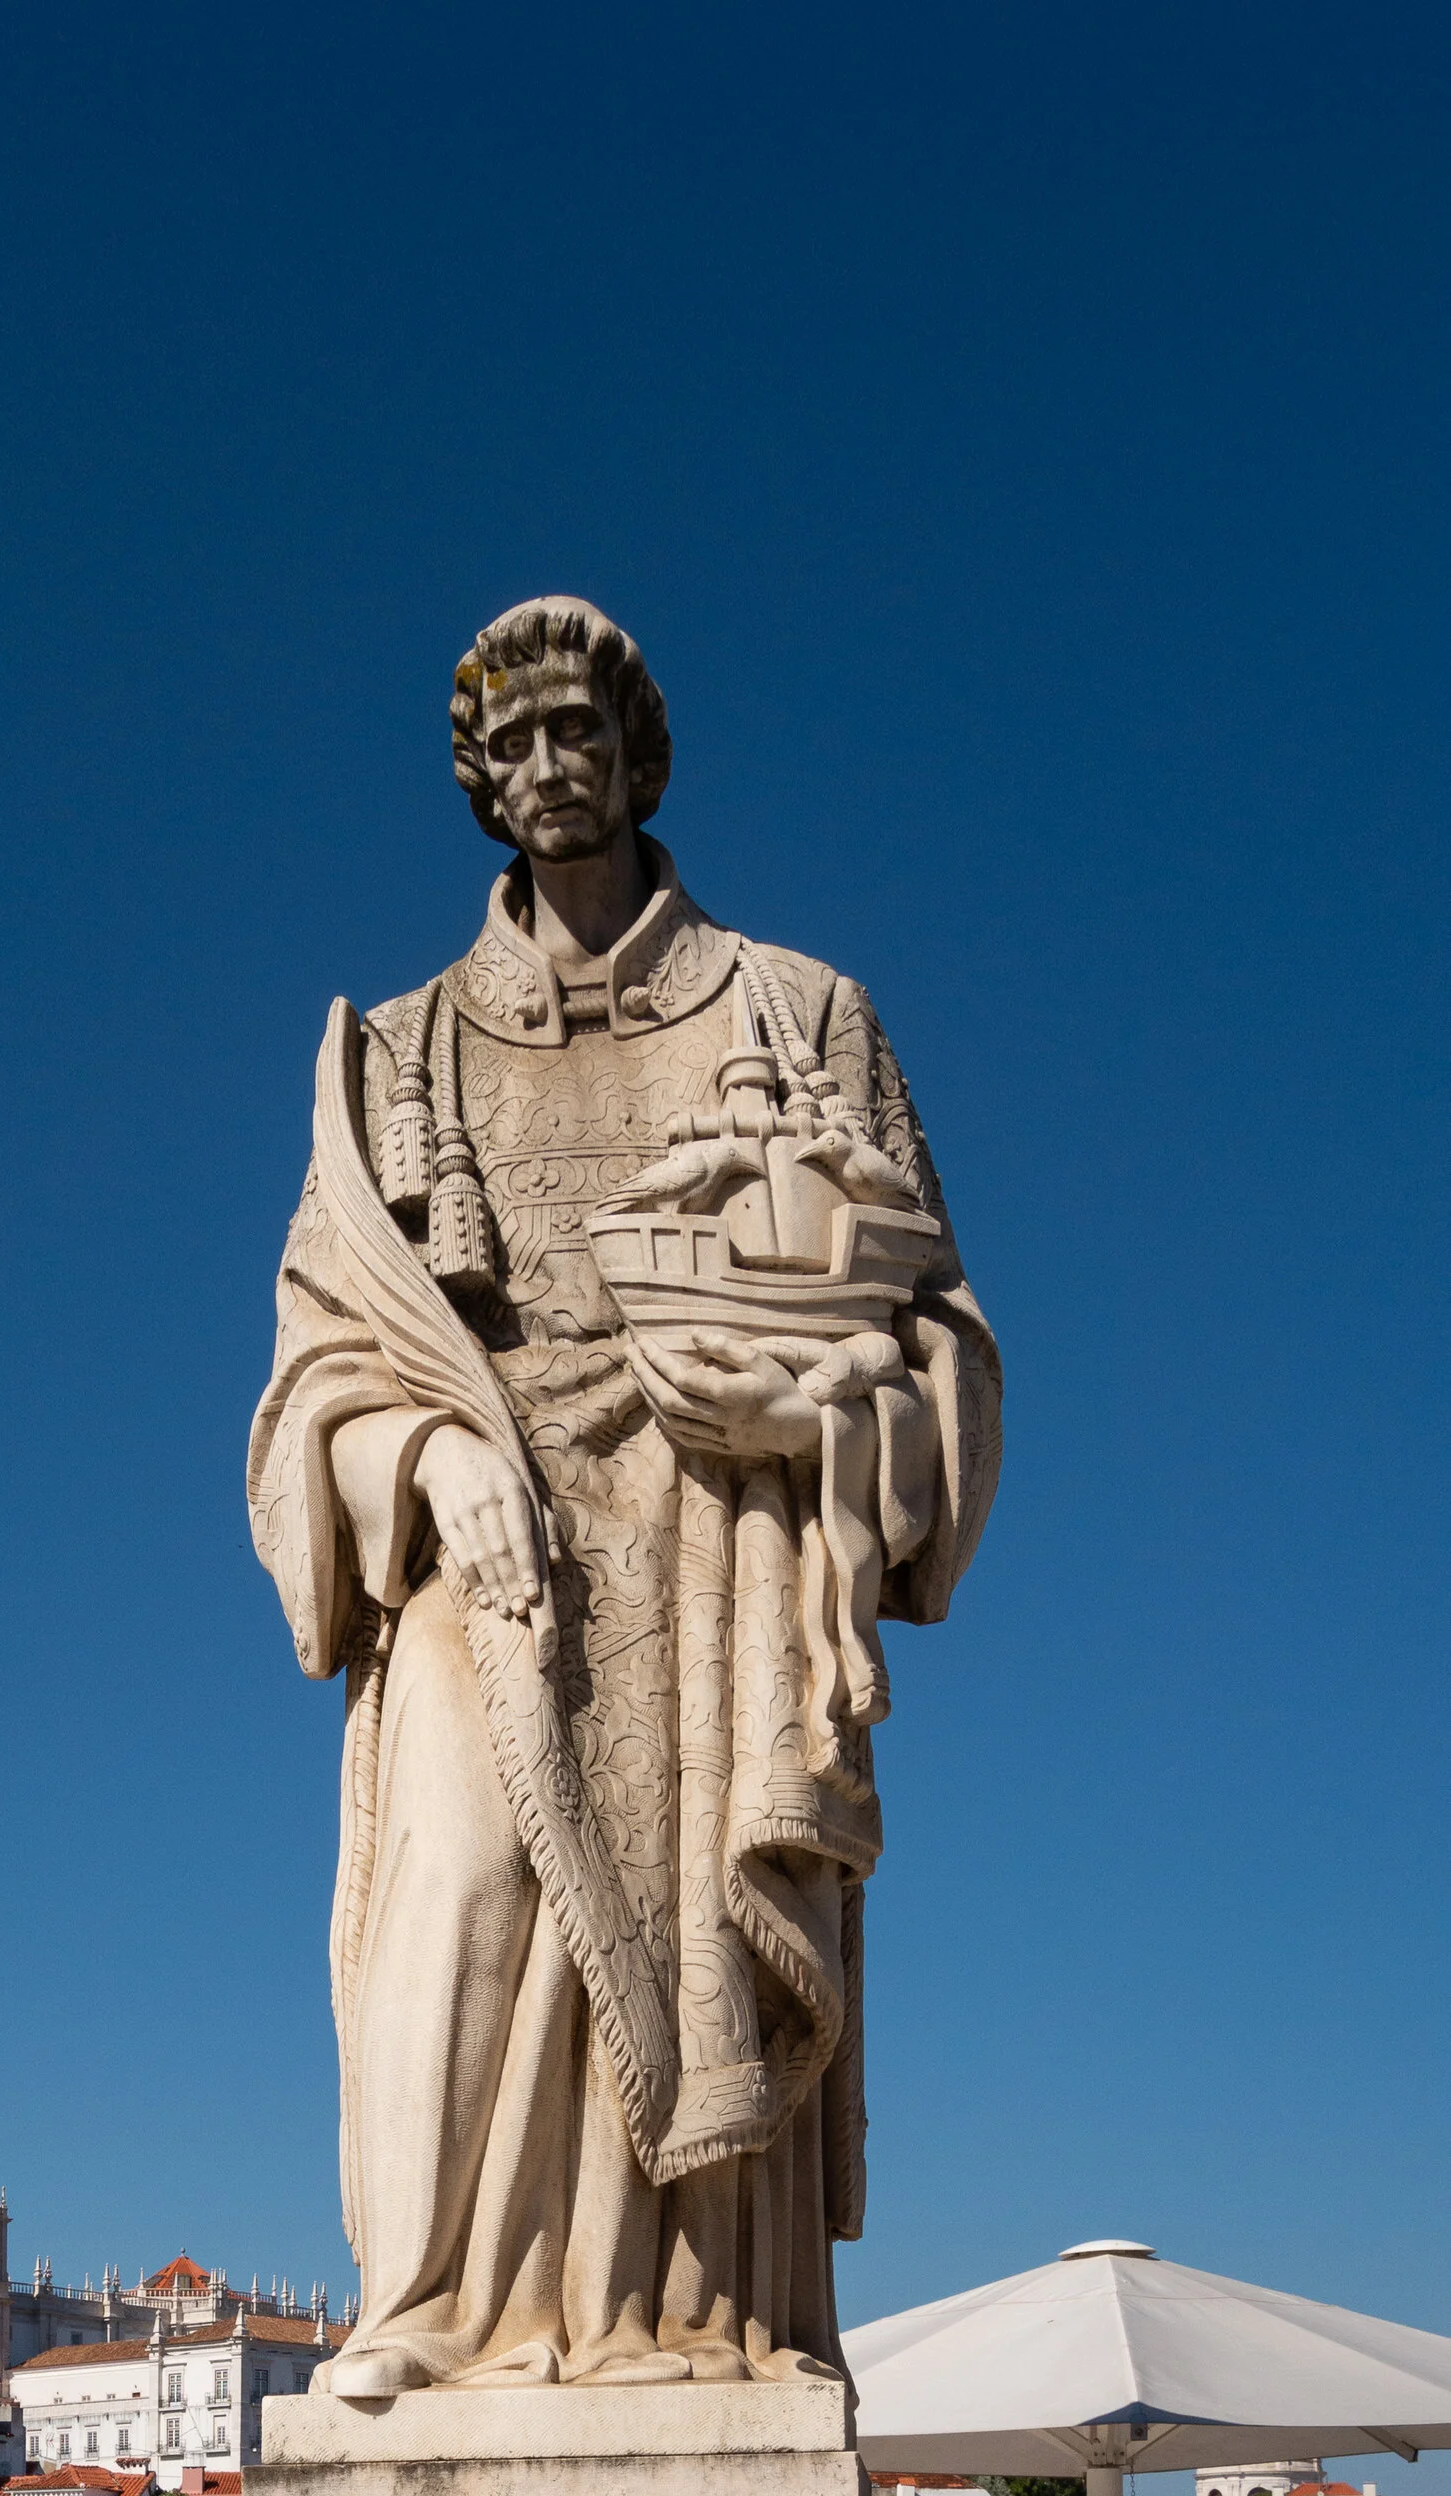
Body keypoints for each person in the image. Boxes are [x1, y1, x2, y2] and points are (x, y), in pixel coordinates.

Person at [249, 593, 1000, 2395]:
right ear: (478, 784)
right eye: (508, 748)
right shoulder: (396, 1052)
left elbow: (939, 1323)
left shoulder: (802, 1013)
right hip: (481, 1537)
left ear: (638, 754)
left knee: (693, 1913)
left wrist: (821, 1397)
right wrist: (425, 1454)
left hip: (723, 1534)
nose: (546, 771)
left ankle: (700, 2319)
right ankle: (434, 2307)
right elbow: (309, 1383)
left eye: (577, 732)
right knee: (468, 1878)